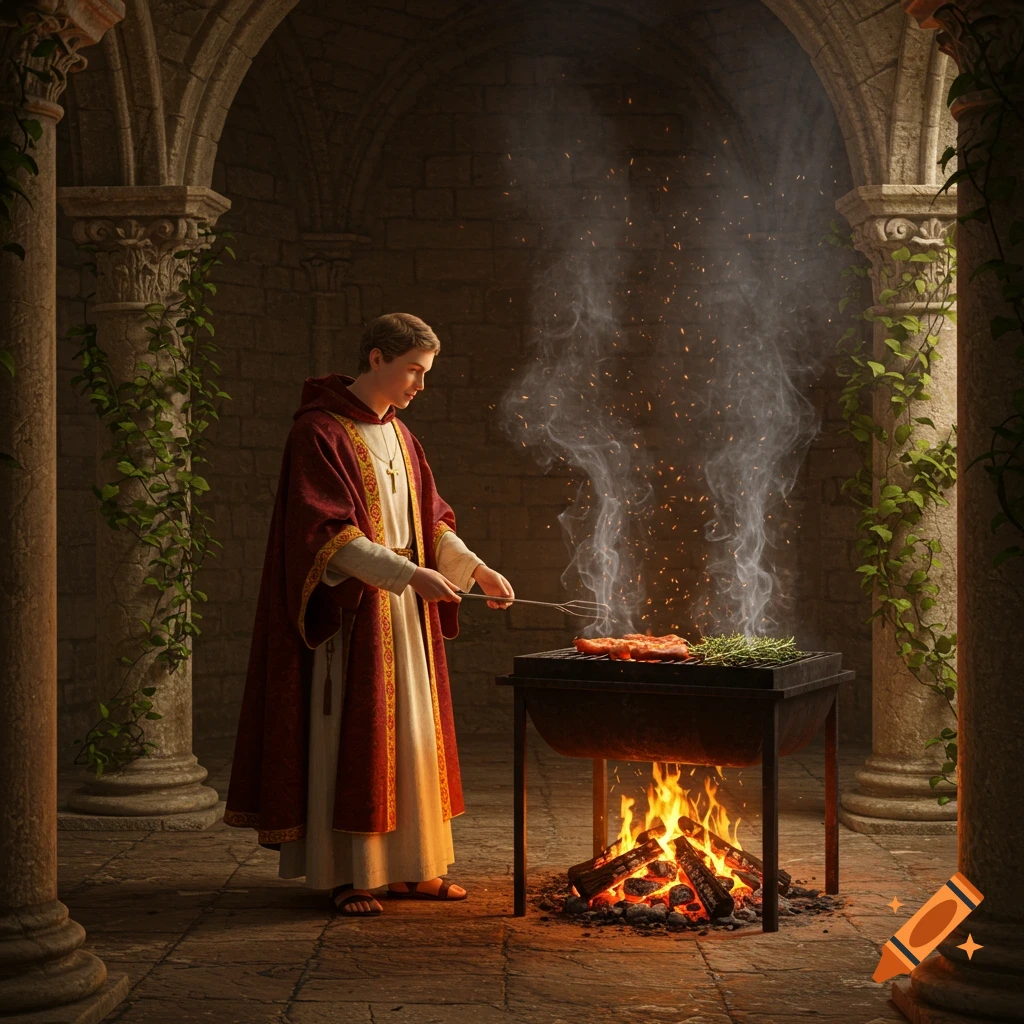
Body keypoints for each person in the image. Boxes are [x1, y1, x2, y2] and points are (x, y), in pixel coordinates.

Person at [225, 312, 514, 916]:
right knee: (355, 738)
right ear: (377, 358)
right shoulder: (318, 432)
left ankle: (415, 869)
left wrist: (474, 569)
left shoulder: (403, 437)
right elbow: (321, 534)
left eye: (426, 373)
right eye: (414, 370)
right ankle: (351, 874)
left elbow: (429, 521)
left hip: (408, 617)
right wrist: (408, 575)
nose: (420, 385)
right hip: (356, 617)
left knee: (411, 736)